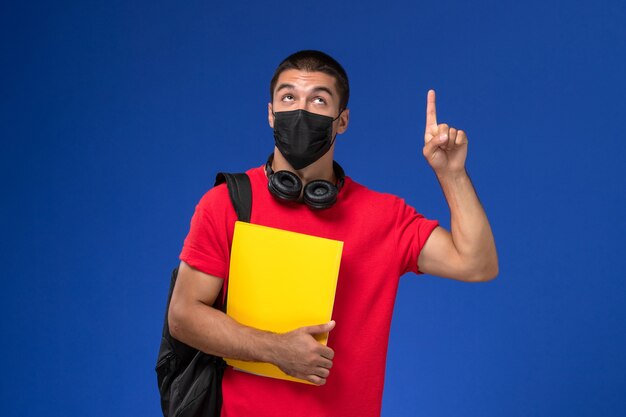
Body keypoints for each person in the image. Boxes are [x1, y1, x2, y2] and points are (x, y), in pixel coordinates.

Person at [168, 50, 498, 417]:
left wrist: (451, 174)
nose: (301, 110)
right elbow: (184, 315)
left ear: (342, 121)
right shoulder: (226, 203)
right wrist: (274, 348)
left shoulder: (384, 216)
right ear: (270, 113)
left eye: (318, 100)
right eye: (289, 97)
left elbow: (477, 264)